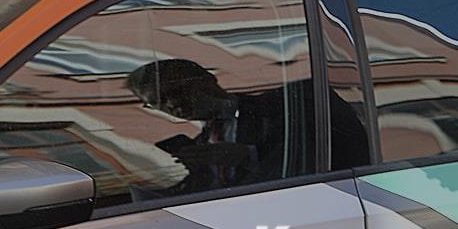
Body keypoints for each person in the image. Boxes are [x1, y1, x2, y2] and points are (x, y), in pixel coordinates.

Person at [126, 59, 369, 192]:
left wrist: (248, 156)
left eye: (177, 91)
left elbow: (319, 157)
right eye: (158, 102)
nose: (171, 104)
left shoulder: (287, 106)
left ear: (208, 79)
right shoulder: (203, 144)